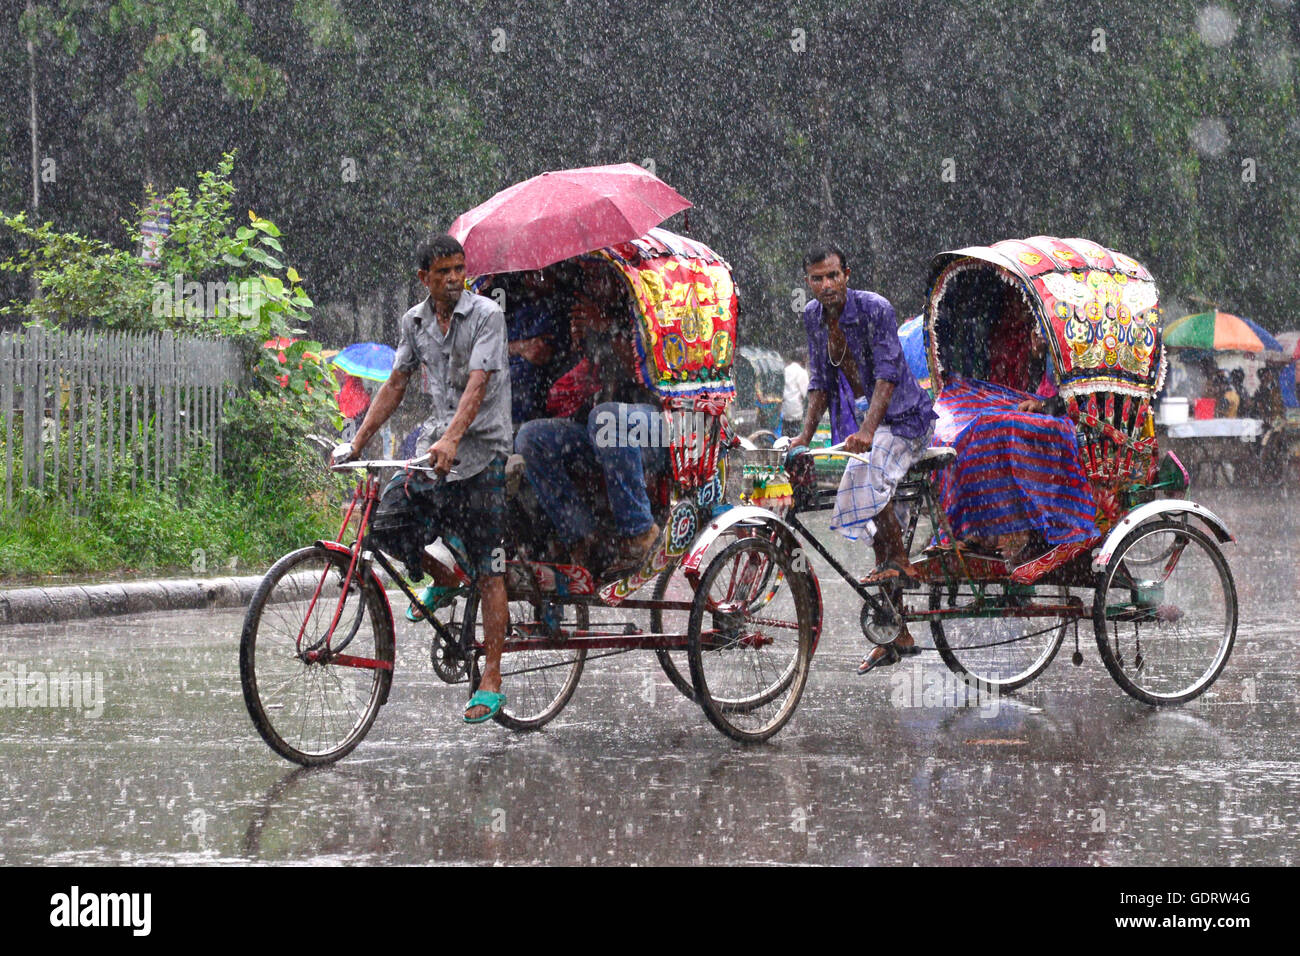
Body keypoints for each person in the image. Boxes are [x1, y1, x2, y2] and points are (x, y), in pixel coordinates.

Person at [332, 234, 513, 725]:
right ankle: (443, 577)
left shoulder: (487, 318)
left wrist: (454, 439)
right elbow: (396, 383)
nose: (454, 278)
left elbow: (479, 384)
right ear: (424, 279)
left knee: (491, 569)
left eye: (459, 269)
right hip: (436, 452)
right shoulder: (413, 322)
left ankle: (491, 677)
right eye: (443, 272)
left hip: (482, 456)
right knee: (386, 523)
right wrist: (357, 443)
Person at [787, 243, 937, 675]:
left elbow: (888, 373)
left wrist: (870, 431)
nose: (826, 284)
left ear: (847, 274)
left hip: (906, 420)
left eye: (833, 275)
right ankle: (898, 631)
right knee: (872, 515)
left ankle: (900, 562)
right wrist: (803, 436)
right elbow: (819, 381)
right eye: (817, 278)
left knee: (864, 477)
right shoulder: (814, 317)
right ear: (809, 283)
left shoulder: (875, 310)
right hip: (867, 427)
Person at [515, 258, 664, 575]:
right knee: (532, 437)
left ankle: (640, 532)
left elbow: (648, 375)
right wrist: (580, 346)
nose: (593, 286)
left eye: (601, 277)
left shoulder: (643, 306)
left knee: (606, 416)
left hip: (660, 425)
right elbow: (587, 379)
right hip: (605, 432)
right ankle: (583, 538)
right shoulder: (585, 311)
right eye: (589, 278)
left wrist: (606, 330)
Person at [782, 350, 809, 437]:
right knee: (795, 436)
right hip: (796, 410)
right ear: (803, 359)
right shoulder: (802, 372)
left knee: (785, 435)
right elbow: (805, 393)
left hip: (785, 410)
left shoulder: (785, 370)